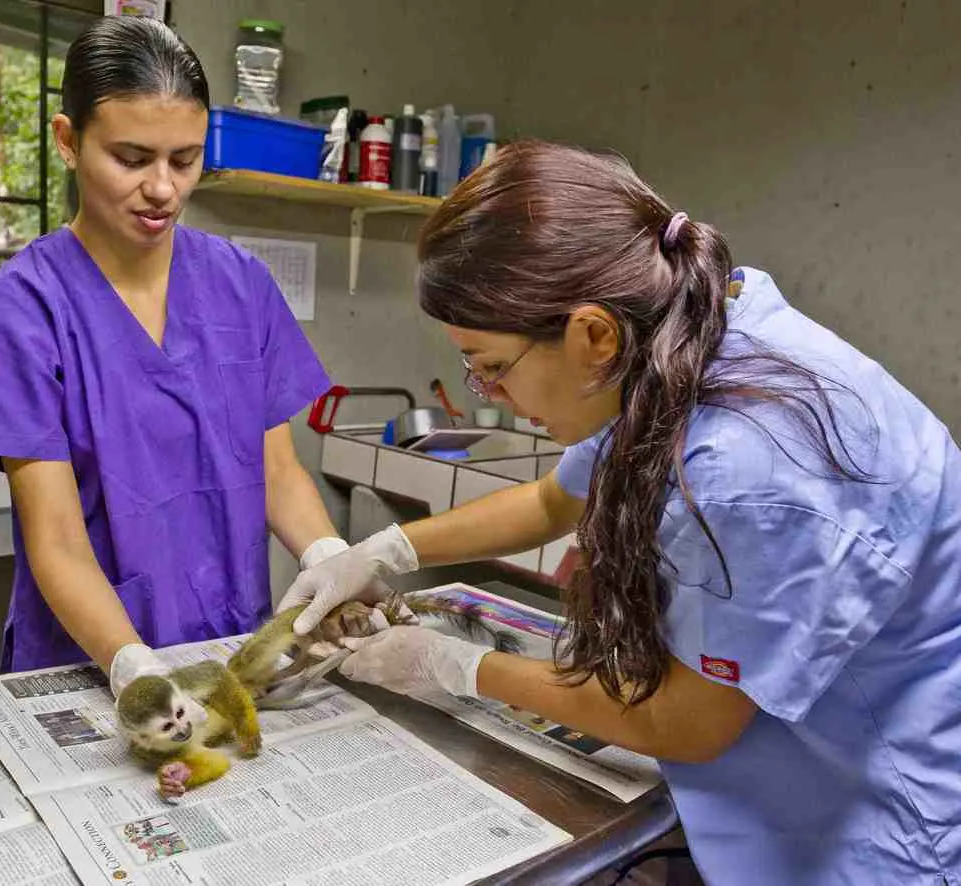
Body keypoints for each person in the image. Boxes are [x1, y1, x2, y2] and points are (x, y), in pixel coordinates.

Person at [280, 142, 961, 884]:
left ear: (592, 335)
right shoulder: (670, 337)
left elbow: (686, 723)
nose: (487, 392)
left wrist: (454, 664)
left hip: (869, 814)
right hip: (768, 776)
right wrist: (383, 551)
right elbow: (553, 499)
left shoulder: (749, 468)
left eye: (492, 367)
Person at [0, 17, 349, 693]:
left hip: (227, 640)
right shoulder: (24, 309)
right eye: (132, 158)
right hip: (86, 659)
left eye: (185, 159)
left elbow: (278, 472)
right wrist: (133, 668)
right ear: (67, 142)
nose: (164, 189)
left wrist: (329, 558)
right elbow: (54, 539)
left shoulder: (241, 284)